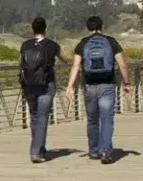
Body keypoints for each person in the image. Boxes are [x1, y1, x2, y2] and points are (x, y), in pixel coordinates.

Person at [64, 15, 131, 164]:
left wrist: (70, 86)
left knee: (92, 120)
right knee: (107, 120)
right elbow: (122, 65)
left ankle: (94, 151)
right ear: (102, 26)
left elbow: (76, 66)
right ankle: (106, 151)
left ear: (88, 27)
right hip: (107, 85)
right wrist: (126, 83)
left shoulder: (82, 44)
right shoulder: (111, 42)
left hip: (89, 86)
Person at [17, 16, 64, 163]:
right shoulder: (52, 45)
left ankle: (39, 148)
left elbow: (22, 64)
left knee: (35, 116)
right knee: (43, 117)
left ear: (32, 29)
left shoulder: (25, 45)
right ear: (46, 29)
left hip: (29, 85)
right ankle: (36, 152)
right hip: (46, 84)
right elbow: (65, 59)